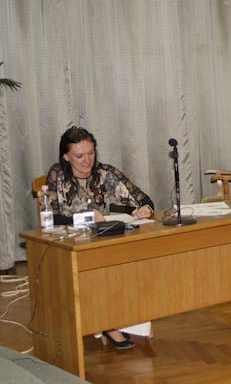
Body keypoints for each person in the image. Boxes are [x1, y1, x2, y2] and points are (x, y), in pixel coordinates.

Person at [46, 126, 154, 350]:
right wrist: (85, 216)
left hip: (105, 240)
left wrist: (145, 209)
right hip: (71, 245)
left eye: (91, 153)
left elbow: (143, 198)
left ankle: (124, 317)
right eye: (79, 156)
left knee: (134, 261)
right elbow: (53, 217)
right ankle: (108, 323)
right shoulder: (58, 174)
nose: (87, 161)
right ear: (66, 157)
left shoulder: (106, 173)